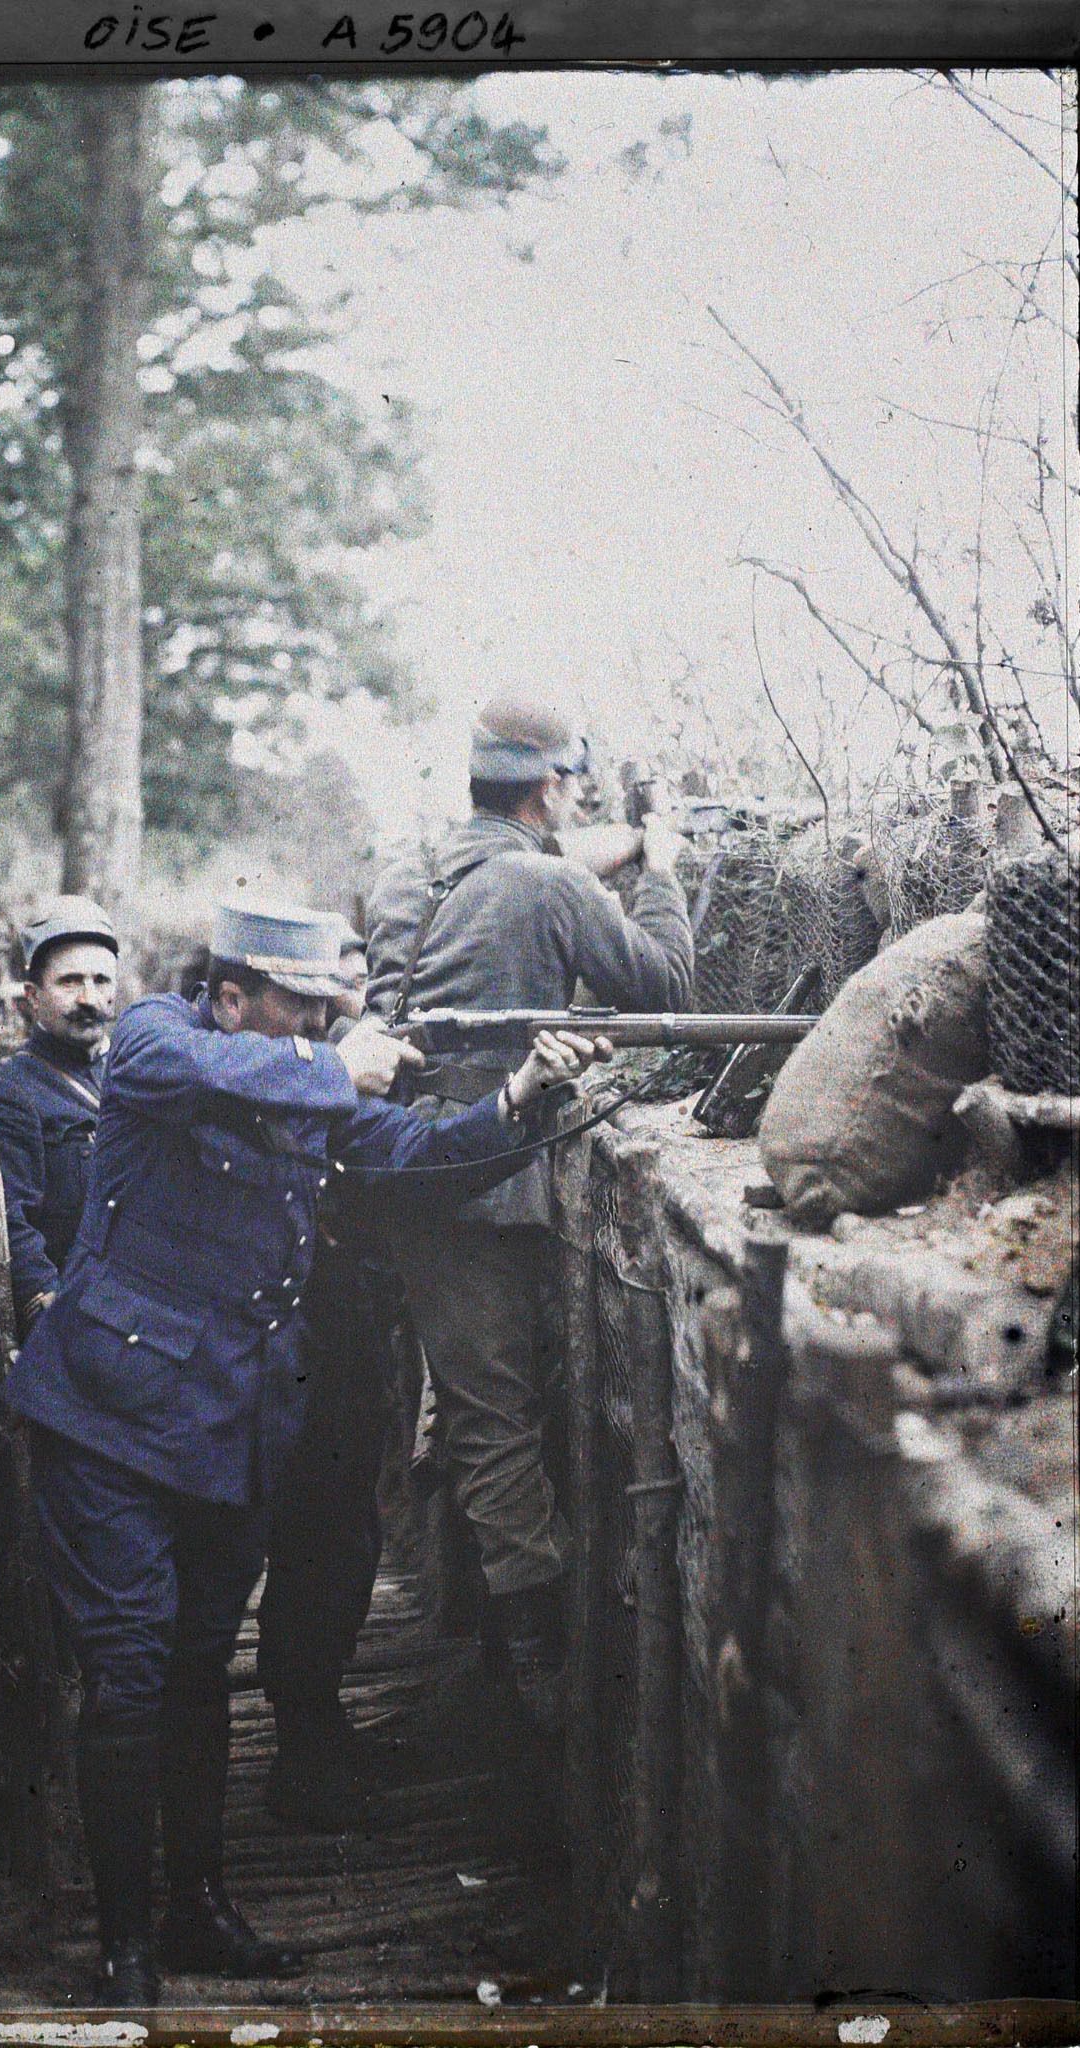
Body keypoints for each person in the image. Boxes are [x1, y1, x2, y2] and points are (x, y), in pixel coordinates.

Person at [0, 900, 606, 2006]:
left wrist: (519, 1093)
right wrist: (333, 1062)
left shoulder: (300, 1085)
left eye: (334, 1004)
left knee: (192, 1672)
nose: (327, 1022)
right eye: (302, 1003)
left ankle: (196, 1909)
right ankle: (126, 1944)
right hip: (109, 1417)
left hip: (229, 1429)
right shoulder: (152, 1039)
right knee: (130, 1675)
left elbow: (416, 1153)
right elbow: (232, 1072)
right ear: (228, 995)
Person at [364, 698, 693, 1729]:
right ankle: (532, 1686)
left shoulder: (409, 877)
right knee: (500, 1427)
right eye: (570, 788)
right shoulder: (546, 883)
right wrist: (665, 867)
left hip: (409, 1176)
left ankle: (479, 1641)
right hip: (495, 1185)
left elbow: (518, 878)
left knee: (463, 1410)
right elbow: (671, 986)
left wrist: (616, 843)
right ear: (549, 787)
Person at [255, 919, 400, 1830]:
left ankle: (319, 1723)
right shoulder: (279, 1067)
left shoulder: (344, 1061)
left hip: (348, 1337)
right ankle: (298, 1750)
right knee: (310, 1539)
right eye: (335, 981)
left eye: (358, 977)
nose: (353, 992)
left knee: (343, 1538)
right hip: (292, 1343)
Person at [0, 897, 120, 1334]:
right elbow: (11, 1229)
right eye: (70, 982)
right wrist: (55, 1318)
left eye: (101, 980)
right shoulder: (14, 1094)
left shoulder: (131, 1073)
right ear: (33, 997)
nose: (89, 998)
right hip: (80, 1317)